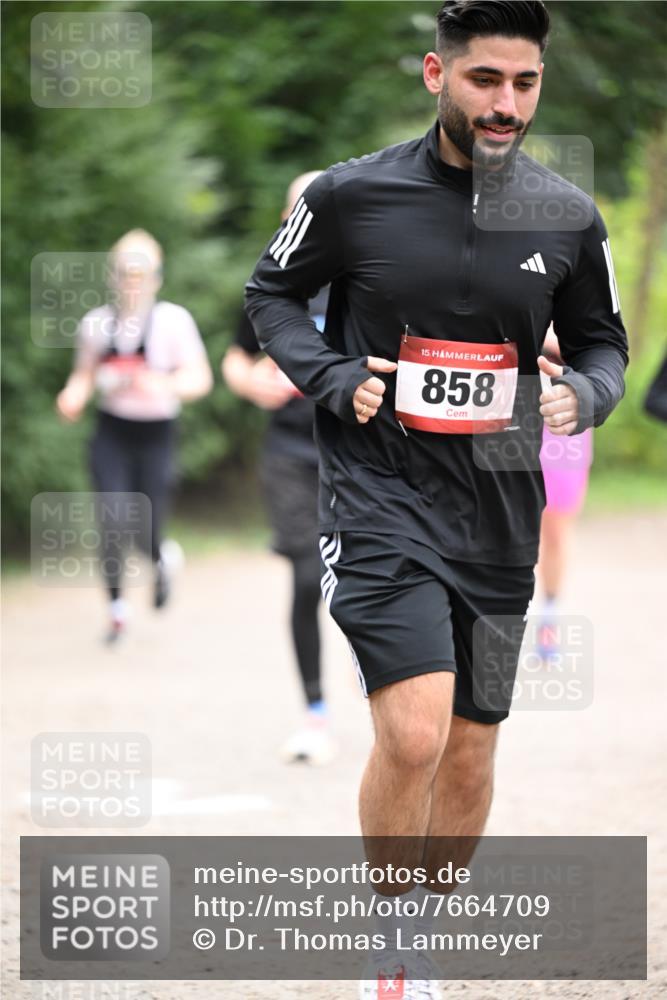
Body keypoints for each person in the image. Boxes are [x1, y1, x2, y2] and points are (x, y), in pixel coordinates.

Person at [245, 2, 628, 996]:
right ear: (435, 75)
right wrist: (330, 377)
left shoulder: (567, 217)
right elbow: (270, 295)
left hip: (499, 508)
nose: (504, 103)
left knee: (468, 749)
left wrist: (579, 393)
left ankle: (426, 926)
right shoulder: (349, 196)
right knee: (413, 730)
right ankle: (394, 937)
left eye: (523, 84)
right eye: (483, 79)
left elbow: (602, 345)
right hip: (377, 496)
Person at [222, 172, 336, 765]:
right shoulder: (272, 282)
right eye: (299, 211)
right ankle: (314, 714)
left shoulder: (364, 279)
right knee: (304, 577)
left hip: (358, 451)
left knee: (372, 585)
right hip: (290, 451)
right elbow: (235, 361)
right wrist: (253, 382)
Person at [56, 229, 213, 642]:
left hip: (157, 435)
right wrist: (73, 395)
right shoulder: (95, 324)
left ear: (157, 277)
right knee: (111, 519)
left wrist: (165, 385)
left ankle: (162, 559)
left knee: (147, 529)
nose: (133, 281)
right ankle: (117, 610)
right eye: (125, 272)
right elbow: (84, 374)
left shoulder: (173, 321)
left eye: (142, 272)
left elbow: (200, 378)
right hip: (112, 433)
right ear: (112, 276)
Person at [536, 328, 593, 661]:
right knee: (506, 525)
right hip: (511, 408)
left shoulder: (585, 286)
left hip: (563, 418)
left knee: (555, 532)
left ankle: (549, 619)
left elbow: (601, 347)